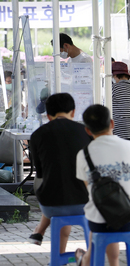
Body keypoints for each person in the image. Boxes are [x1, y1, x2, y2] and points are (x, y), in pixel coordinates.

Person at [74, 105, 130, 266]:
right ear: (112, 123)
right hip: (129, 218)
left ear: (87, 130)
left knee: (102, 213)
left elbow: (90, 192)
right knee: (113, 214)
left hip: (98, 222)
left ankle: (88, 262)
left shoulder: (83, 154)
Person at [27, 94, 92, 256]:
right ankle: (91, 258)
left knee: (56, 186)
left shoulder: (37, 136)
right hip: (84, 203)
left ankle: (58, 257)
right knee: (69, 187)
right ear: (74, 111)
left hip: (50, 206)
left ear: (48, 115)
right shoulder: (86, 133)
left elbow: (40, 172)